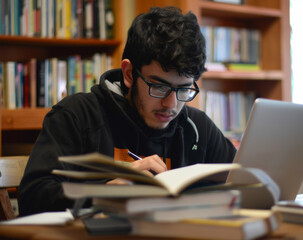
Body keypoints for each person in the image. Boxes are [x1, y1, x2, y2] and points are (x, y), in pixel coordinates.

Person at [18, 6, 236, 216]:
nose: (171, 105)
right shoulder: (77, 115)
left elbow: (244, 181)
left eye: (184, 88)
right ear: (129, 74)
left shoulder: (197, 128)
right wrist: (106, 193)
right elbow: (32, 198)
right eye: (159, 87)